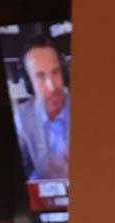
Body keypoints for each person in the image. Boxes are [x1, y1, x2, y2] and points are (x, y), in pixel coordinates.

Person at [13, 36, 70, 182]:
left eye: (55, 72)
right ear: (28, 83)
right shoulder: (22, 117)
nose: (52, 86)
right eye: (40, 76)